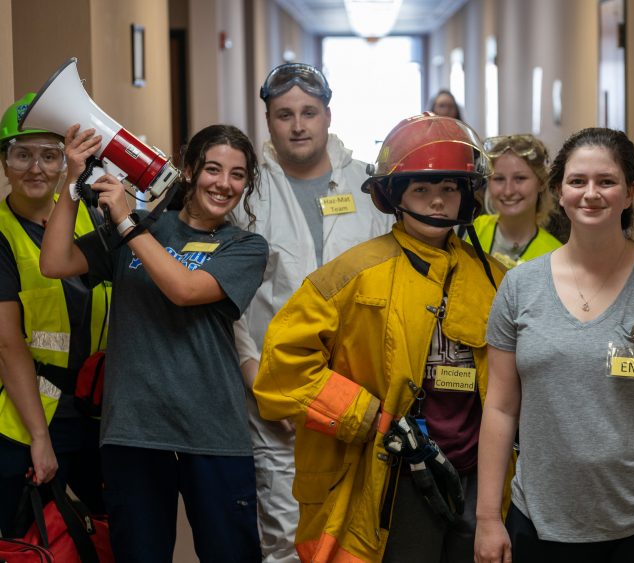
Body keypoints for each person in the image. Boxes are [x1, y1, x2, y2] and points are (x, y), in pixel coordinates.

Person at [253, 113, 509, 563]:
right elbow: (282, 368)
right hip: (392, 475)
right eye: (422, 189)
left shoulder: (495, 279)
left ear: (467, 196)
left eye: (449, 188)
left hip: (476, 477)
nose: (436, 202)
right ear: (395, 195)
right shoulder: (350, 275)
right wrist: (368, 416)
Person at [475, 127, 634, 563]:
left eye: (606, 182)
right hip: (542, 523)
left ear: (629, 193)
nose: (591, 194)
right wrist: (487, 518)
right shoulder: (518, 287)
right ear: (558, 192)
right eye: (577, 181)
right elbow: (500, 408)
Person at [39, 123, 267, 562]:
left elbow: (183, 289)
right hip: (135, 430)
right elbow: (55, 262)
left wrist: (126, 221)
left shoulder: (245, 246)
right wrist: (71, 182)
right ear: (188, 171)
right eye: (212, 169)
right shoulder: (143, 229)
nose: (223, 184)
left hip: (213, 432)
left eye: (237, 175)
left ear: (246, 184)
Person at [232, 61, 393, 563]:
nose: (297, 125)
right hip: (278, 387)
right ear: (267, 120)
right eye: (284, 114)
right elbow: (231, 302)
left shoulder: (372, 188)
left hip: (365, 386)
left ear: (328, 115)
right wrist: (255, 377)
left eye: (308, 112)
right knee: (284, 533)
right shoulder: (245, 194)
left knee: (366, 525)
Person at [0, 93, 108, 535]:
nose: (36, 167)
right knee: (35, 541)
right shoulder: (2, 236)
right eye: (21, 154)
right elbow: (8, 345)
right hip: (33, 421)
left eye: (50, 155)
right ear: (5, 163)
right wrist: (40, 440)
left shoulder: (91, 217)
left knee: (103, 533)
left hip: (99, 411)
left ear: (67, 163)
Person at [471, 134, 561, 269]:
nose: (508, 191)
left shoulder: (555, 256)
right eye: (499, 179)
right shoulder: (471, 231)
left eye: (520, 178)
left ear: (541, 183)